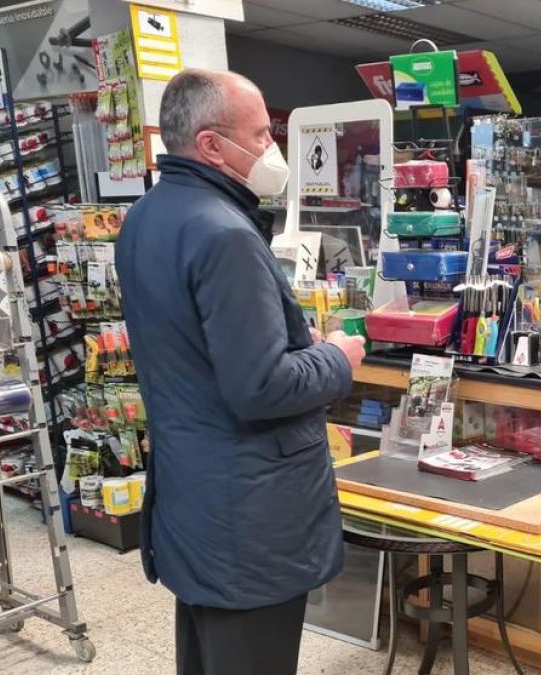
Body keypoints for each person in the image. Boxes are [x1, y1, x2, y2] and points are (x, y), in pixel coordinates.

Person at [116, 69, 367, 675]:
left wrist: (281, 338)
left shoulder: (147, 218)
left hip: (193, 496)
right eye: (258, 136)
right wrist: (336, 356)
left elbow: (196, 348)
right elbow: (261, 387)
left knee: (208, 657)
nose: (269, 150)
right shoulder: (225, 233)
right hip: (251, 516)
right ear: (210, 144)